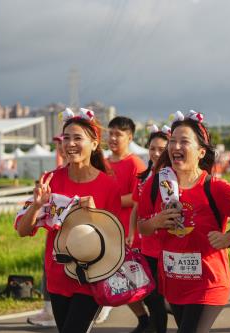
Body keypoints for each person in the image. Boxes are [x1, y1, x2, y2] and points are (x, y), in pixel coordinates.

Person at [137, 110, 230, 333]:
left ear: (200, 152)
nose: (175, 147)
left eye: (184, 142)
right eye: (173, 141)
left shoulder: (217, 188)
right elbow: (142, 227)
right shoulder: (156, 185)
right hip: (174, 281)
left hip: (208, 282)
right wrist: (156, 221)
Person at [16, 108, 121, 333]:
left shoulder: (108, 185)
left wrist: (95, 215)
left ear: (94, 144)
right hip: (57, 275)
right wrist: (36, 205)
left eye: (77, 138)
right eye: (66, 138)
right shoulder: (50, 180)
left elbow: (115, 239)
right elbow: (23, 231)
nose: (70, 143)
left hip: (92, 276)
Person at [99, 116, 148, 330]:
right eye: (110, 133)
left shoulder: (135, 163)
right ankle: (145, 320)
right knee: (120, 282)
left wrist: (109, 200)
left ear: (129, 137)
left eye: (118, 134)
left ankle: (156, 317)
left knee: (136, 281)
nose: (113, 138)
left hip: (130, 232)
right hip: (109, 232)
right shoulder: (104, 163)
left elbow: (138, 196)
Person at [131, 124, 170, 333]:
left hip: (169, 246)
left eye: (161, 149)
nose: (155, 153)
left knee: (173, 298)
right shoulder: (145, 176)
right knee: (152, 296)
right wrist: (131, 233)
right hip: (146, 245)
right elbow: (136, 208)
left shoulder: (173, 177)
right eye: (152, 148)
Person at [27, 135, 66, 328]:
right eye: (61, 141)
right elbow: (23, 227)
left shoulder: (98, 177)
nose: (64, 145)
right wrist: (37, 207)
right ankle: (49, 311)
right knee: (49, 268)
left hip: (84, 247)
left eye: (75, 138)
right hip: (56, 241)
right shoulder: (53, 176)